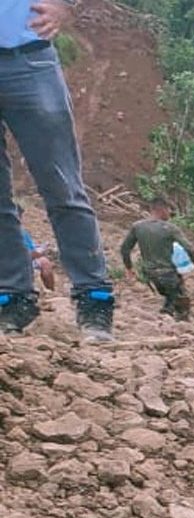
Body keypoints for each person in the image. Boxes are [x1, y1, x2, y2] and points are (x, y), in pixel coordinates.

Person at [0, 0, 115, 341]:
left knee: (62, 185)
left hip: (30, 60)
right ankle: (13, 298)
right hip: (29, 65)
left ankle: (94, 297)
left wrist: (68, 6)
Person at [119, 199, 194, 321]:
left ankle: (166, 314)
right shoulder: (170, 228)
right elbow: (189, 248)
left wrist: (129, 268)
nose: (170, 213)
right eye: (169, 210)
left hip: (149, 273)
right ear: (163, 209)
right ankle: (179, 324)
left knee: (169, 295)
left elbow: (124, 249)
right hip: (167, 273)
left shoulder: (138, 227)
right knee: (181, 300)